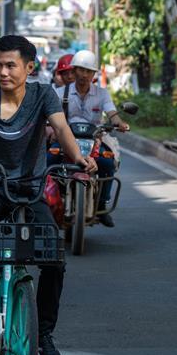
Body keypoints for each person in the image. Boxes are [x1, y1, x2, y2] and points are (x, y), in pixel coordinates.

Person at [0, 35, 97, 355]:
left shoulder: (44, 94)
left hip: (31, 190)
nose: (3, 72)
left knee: (54, 260)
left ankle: (44, 334)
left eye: (10, 65)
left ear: (29, 68)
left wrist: (79, 159)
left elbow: (61, 130)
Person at [51, 49, 130, 227]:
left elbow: (112, 113)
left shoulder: (102, 94)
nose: (84, 75)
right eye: (80, 70)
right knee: (48, 159)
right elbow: (50, 116)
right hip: (65, 139)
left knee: (108, 163)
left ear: (94, 74)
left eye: (88, 71)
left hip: (95, 140)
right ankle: (48, 201)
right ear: (74, 71)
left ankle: (101, 205)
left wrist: (120, 122)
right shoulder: (59, 93)